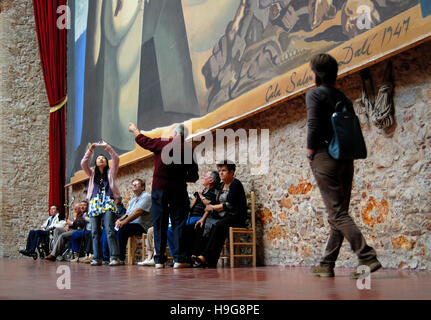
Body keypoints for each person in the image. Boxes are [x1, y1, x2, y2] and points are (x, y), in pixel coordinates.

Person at [305, 53, 381, 278]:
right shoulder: (343, 97)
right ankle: (327, 264)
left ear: (316, 73)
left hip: (324, 157)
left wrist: (310, 151)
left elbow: (313, 124)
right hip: (346, 159)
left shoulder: (314, 94)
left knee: (337, 214)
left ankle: (366, 256)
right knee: (338, 214)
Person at [129, 122, 198, 269]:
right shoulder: (188, 150)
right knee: (178, 223)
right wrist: (179, 177)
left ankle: (159, 260)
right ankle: (179, 259)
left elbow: (143, 141)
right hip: (179, 190)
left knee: (159, 222)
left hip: (159, 189)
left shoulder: (163, 143)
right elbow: (193, 176)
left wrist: (135, 130)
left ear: (173, 134)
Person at [193, 160, 247, 268]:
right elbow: (212, 204)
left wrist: (213, 207)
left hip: (236, 217)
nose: (221, 173)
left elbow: (229, 205)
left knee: (218, 226)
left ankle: (206, 257)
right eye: (219, 171)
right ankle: (198, 256)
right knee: (202, 224)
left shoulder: (236, 184)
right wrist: (203, 219)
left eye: (224, 170)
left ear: (231, 172)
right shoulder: (221, 185)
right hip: (224, 217)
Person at [81, 141, 121, 266]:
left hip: (108, 201)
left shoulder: (111, 172)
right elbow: (83, 163)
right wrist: (91, 150)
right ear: (96, 162)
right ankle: (96, 258)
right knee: (94, 232)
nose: (101, 159)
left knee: (109, 230)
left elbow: (116, 158)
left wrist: (107, 147)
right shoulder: (91, 174)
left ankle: (114, 257)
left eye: (103, 158)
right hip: (94, 203)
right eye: (99, 158)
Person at [167, 170, 220, 262]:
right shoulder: (200, 192)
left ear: (211, 180)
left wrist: (200, 195)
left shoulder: (214, 192)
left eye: (205, 176)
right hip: (190, 217)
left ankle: (184, 258)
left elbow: (209, 205)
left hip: (201, 218)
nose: (203, 178)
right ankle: (177, 257)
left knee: (181, 230)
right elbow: (190, 206)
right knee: (170, 230)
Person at [115, 179, 152, 264]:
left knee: (122, 229)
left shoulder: (146, 197)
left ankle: (120, 258)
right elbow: (127, 214)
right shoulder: (133, 200)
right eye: (132, 184)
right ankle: (111, 256)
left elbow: (138, 212)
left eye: (136, 183)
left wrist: (124, 222)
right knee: (112, 230)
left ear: (142, 187)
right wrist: (119, 220)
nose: (134, 185)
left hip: (143, 225)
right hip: (132, 224)